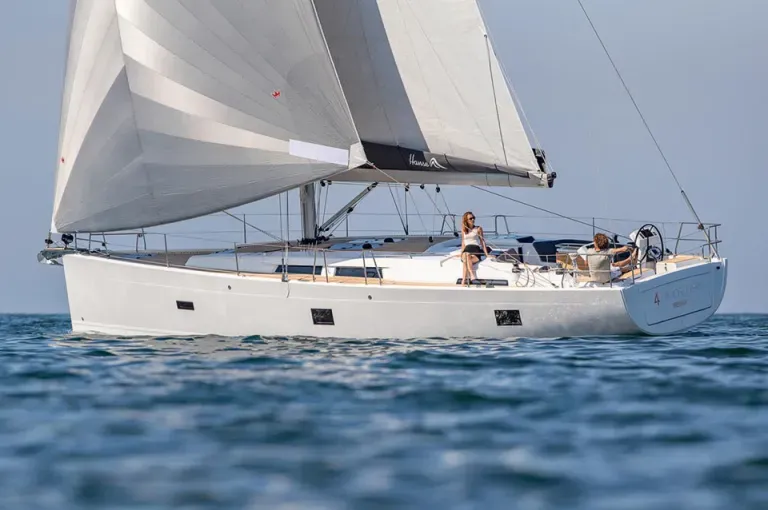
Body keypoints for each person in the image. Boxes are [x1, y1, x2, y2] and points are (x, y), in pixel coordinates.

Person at [460, 211, 492, 285]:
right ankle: (472, 275)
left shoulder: (478, 228)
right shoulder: (463, 230)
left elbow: (482, 241)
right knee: (466, 255)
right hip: (466, 249)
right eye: (470, 218)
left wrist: (486, 254)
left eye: (474, 218)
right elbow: (463, 242)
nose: (473, 220)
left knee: (466, 259)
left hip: (475, 249)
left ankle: (463, 280)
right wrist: (461, 253)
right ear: (466, 220)